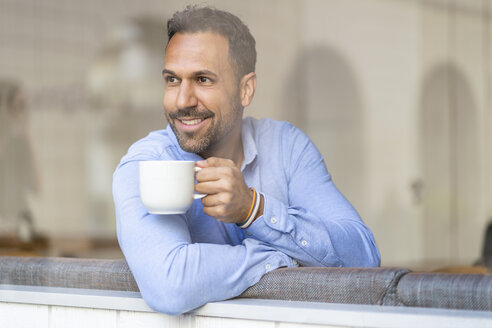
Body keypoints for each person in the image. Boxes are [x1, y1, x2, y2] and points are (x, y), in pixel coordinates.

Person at [113, 5, 380, 315]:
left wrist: (254, 209)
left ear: (245, 89)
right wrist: (280, 256)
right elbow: (170, 285)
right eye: (172, 80)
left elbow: (364, 257)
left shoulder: (284, 146)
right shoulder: (145, 166)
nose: (182, 101)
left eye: (202, 79)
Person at [0, 80, 41, 242]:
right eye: (17, 106)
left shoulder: (19, 144)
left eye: (24, 106)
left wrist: (28, 135)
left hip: (17, 228)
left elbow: (37, 186)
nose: (21, 113)